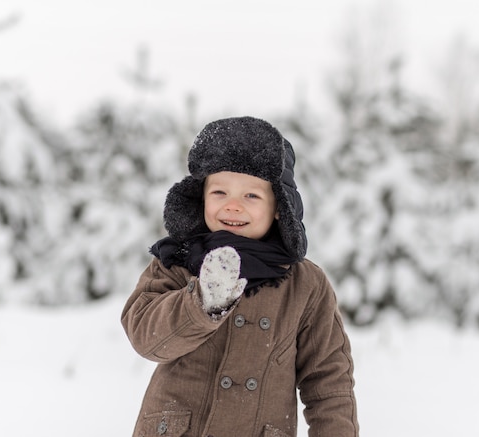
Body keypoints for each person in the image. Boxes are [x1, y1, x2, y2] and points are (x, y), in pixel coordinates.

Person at [121, 116, 359, 436]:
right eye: (220, 192)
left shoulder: (305, 285)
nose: (233, 207)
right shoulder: (176, 260)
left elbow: (329, 383)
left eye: (251, 196)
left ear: (278, 207)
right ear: (202, 197)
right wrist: (201, 302)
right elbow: (146, 338)